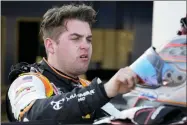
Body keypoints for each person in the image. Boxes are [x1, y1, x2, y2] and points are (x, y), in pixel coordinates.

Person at [6, 4, 138, 124]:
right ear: (50, 46)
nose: (85, 46)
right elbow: (33, 115)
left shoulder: (87, 87)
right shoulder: (27, 81)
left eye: (88, 39)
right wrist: (104, 91)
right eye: (76, 38)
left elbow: (119, 119)